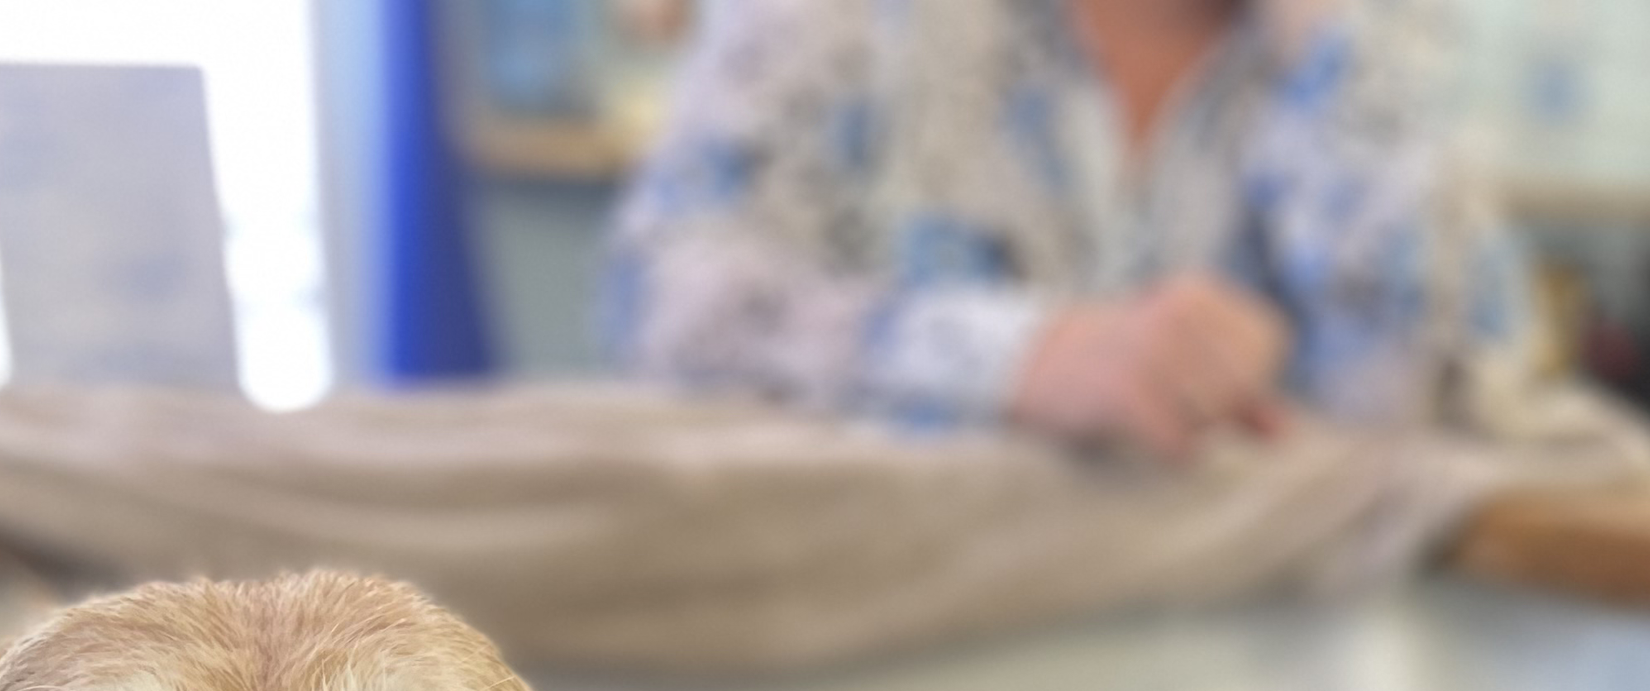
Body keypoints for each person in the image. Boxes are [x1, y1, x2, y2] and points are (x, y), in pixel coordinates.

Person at [602, 0, 1523, 455]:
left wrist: (1334, 49)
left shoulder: (1357, 46)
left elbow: (1451, 407)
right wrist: (1019, 357)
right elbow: (664, 302)